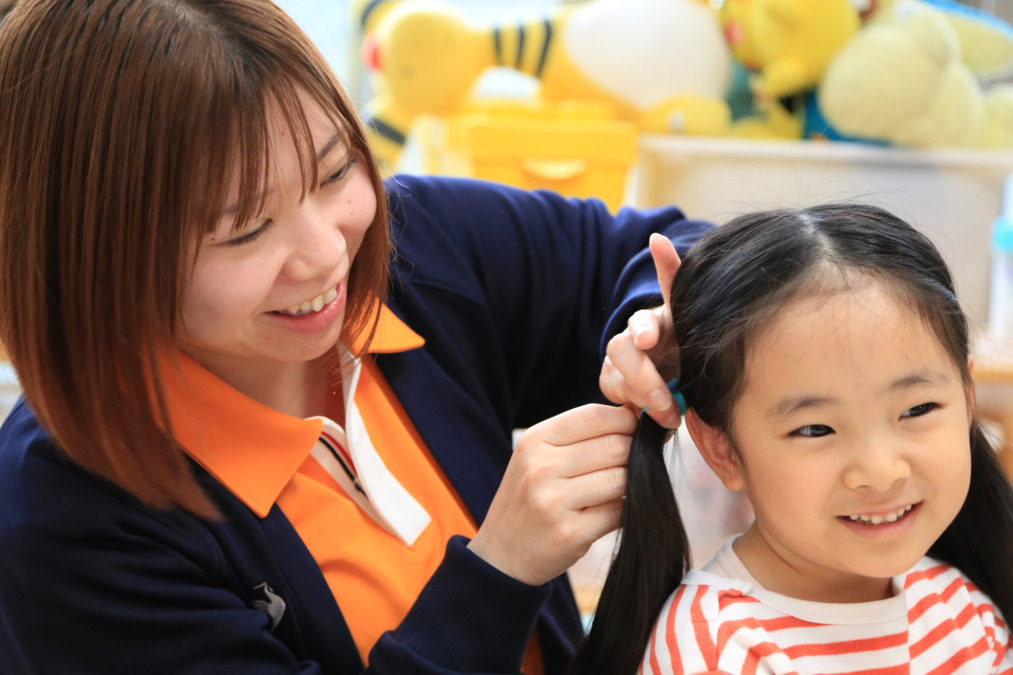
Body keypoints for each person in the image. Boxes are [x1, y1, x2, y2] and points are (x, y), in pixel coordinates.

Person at [0, 0, 711, 673]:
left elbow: (670, 250)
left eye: (336, 170)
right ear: (94, 256)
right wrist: (500, 568)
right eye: (245, 228)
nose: (324, 253)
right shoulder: (63, 512)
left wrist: (661, 323)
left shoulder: (420, 250)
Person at [570, 204, 1013, 675]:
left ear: (967, 399)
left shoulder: (963, 610)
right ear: (722, 448)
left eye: (917, 409)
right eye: (815, 429)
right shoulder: (720, 648)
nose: (882, 469)